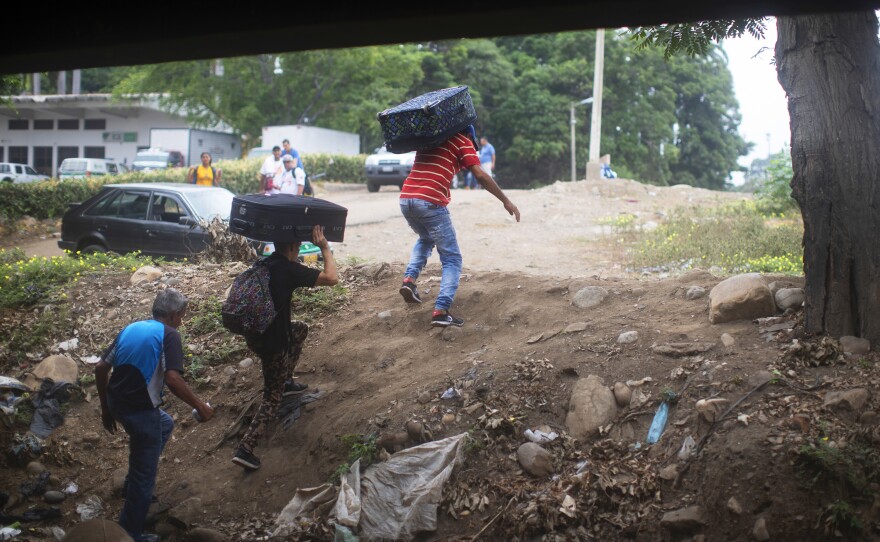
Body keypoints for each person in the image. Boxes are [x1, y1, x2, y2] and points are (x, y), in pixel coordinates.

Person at [95, 289, 214, 542]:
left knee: (166, 423)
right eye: (182, 316)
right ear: (173, 315)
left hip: (116, 404)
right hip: (140, 412)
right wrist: (200, 406)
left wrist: (106, 408)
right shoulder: (169, 335)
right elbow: (172, 379)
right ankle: (130, 533)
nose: (182, 320)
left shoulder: (132, 327)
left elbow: (101, 367)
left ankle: (132, 483)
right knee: (144, 476)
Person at [232, 225, 338, 471]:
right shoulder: (288, 270)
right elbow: (332, 278)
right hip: (273, 342)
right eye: (298, 246)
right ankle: (245, 449)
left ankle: (286, 380)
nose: (299, 248)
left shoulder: (263, 265)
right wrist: (324, 247)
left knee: (299, 328)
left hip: (255, 334)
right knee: (272, 396)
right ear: (291, 247)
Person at [398, 126, 520, 327]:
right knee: (452, 258)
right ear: (469, 135)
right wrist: (506, 200)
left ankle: (409, 280)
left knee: (426, 238)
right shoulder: (462, 141)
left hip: (406, 199)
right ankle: (441, 310)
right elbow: (480, 176)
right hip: (430, 201)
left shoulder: (430, 138)